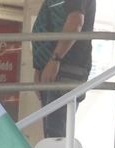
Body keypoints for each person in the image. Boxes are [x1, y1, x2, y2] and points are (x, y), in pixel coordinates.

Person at [32, 0, 97, 138]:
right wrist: (39, 68)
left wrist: (55, 59)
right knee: (52, 134)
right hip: (53, 67)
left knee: (56, 136)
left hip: (65, 67)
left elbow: (75, 23)